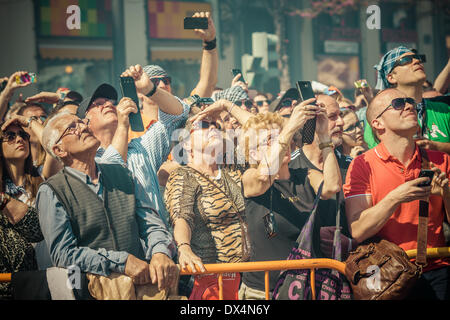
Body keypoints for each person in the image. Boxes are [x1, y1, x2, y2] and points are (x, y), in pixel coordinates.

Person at [37, 112, 178, 292]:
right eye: (72, 127)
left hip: (141, 288)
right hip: (91, 291)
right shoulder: (52, 191)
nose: (83, 127)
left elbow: (151, 224)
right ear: (59, 151)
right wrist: (122, 261)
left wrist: (160, 251)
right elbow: (63, 254)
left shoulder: (123, 174)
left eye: (82, 122)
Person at [344, 88, 450, 300]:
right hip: (388, 275)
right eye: (399, 104)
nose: (410, 106)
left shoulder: (442, 160)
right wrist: (396, 196)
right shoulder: (362, 165)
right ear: (377, 123)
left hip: (437, 270)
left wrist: (446, 194)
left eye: (410, 101)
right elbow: (357, 230)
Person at [77, 67, 190, 228]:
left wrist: (150, 89)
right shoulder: (85, 161)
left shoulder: (141, 148)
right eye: (98, 104)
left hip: (161, 249)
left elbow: (177, 114)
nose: (108, 104)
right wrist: (123, 126)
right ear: (83, 123)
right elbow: (113, 170)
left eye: (111, 102)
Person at [164, 100, 250, 300]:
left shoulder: (234, 170)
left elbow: (263, 130)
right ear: (186, 142)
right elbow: (181, 216)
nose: (212, 127)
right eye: (204, 125)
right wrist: (184, 248)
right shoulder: (184, 175)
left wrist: (227, 106)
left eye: (216, 125)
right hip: (210, 281)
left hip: (248, 277)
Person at [368, 46, 450, 155]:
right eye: (406, 60)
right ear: (391, 77)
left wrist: (436, 146)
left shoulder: (444, 110)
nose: (417, 61)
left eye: (417, 58)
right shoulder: (381, 116)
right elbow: (378, 158)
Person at [0, 118, 45, 298]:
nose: (19, 140)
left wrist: (29, 121)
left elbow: (56, 146)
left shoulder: (43, 176)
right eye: (10, 136)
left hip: (48, 276)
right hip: (13, 286)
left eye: (23, 135)